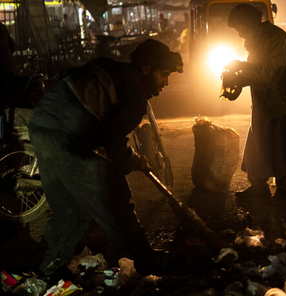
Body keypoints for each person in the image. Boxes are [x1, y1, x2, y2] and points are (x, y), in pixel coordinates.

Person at [29, 39, 184, 276]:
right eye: (164, 74)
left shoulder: (109, 67)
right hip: (65, 137)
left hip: (41, 126)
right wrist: (133, 160)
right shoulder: (135, 94)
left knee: (70, 205)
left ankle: (50, 268)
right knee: (113, 190)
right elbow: (113, 140)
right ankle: (144, 258)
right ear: (146, 69)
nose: (166, 82)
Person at [223, 4, 286, 203]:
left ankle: (285, 192)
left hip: (285, 100)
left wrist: (241, 67)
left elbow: (270, 73)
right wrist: (236, 80)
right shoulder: (258, 40)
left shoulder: (274, 39)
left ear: (250, 24)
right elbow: (257, 72)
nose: (240, 35)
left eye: (240, 29)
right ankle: (258, 187)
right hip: (266, 100)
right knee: (258, 143)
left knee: (282, 146)